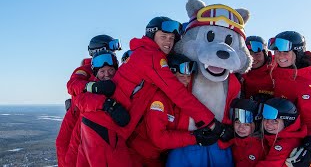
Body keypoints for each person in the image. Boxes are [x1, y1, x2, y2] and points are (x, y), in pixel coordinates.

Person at [73, 16, 228, 166]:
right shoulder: (151, 56)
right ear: (152, 35)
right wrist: (212, 124)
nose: (169, 41)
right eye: (164, 36)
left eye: (172, 38)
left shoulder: (144, 53)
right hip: (105, 127)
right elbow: (178, 94)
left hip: (101, 125)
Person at [127, 53, 202, 166]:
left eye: (188, 77)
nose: (186, 81)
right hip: (139, 157)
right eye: (182, 76)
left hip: (156, 156)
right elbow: (158, 138)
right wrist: (195, 137)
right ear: (170, 76)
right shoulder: (159, 100)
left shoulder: (178, 99)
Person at [55, 34, 120, 167]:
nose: (113, 51)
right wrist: (93, 87)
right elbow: (73, 85)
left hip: (90, 115)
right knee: (66, 146)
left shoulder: (111, 67)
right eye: (111, 47)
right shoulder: (85, 69)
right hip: (76, 114)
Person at [268, 31, 311, 166]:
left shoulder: (305, 85)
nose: (279, 56)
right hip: (278, 133)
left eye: (285, 52)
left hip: (295, 140)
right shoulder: (279, 73)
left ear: (298, 53)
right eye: (277, 51)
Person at [256, 98, 307, 166]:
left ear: (287, 122)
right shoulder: (275, 136)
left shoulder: (286, 144)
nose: (268, 123)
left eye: (274, 121)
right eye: (266, 119)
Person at [222, 98, 265, 167]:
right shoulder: (232, 139)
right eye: (237, 122)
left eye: (246, 124)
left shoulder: (259, 147)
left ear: (256, 125)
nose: (241, 128)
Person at [242, 36, 273, 102]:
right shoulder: (239, 73)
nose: (252, 58)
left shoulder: (275, 70)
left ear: (265, 54)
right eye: (249, 55)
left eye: (257, 54)